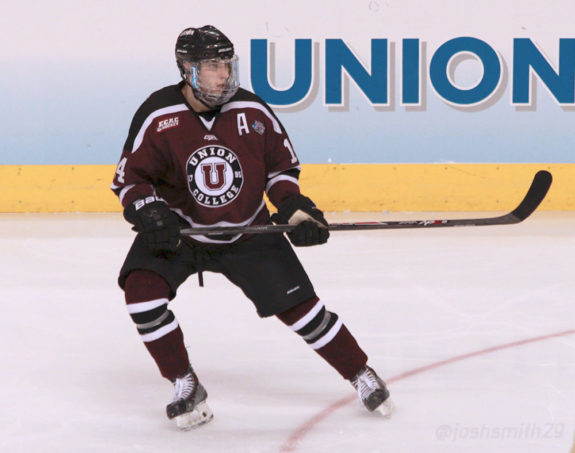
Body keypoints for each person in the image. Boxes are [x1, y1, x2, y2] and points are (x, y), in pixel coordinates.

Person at [111, 25, 393, 430]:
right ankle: (184, 383)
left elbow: (280, 170)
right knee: (141, 297)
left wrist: (294, 208)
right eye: (212, 65)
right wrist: (150, 211)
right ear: (187, 69)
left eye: (227, 63)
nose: (224, 74)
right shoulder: (158, 114)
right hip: (184, 234)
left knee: (305, 313)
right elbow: (131, 181)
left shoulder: (252, 110)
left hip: (248, 231)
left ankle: (361, 373)